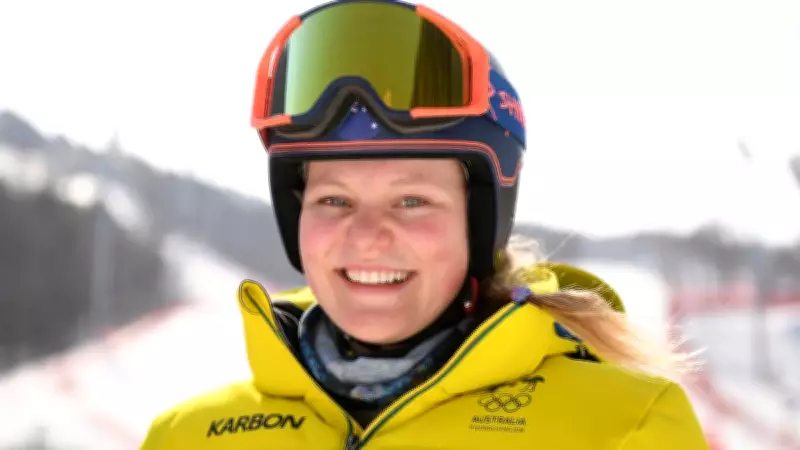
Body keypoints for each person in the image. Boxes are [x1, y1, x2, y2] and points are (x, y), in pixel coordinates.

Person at [140, 1, 710, 448]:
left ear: (480, 219)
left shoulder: (623, 426)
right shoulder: (187, 436)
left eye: (411, 201)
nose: (366, 235)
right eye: (334, 200)